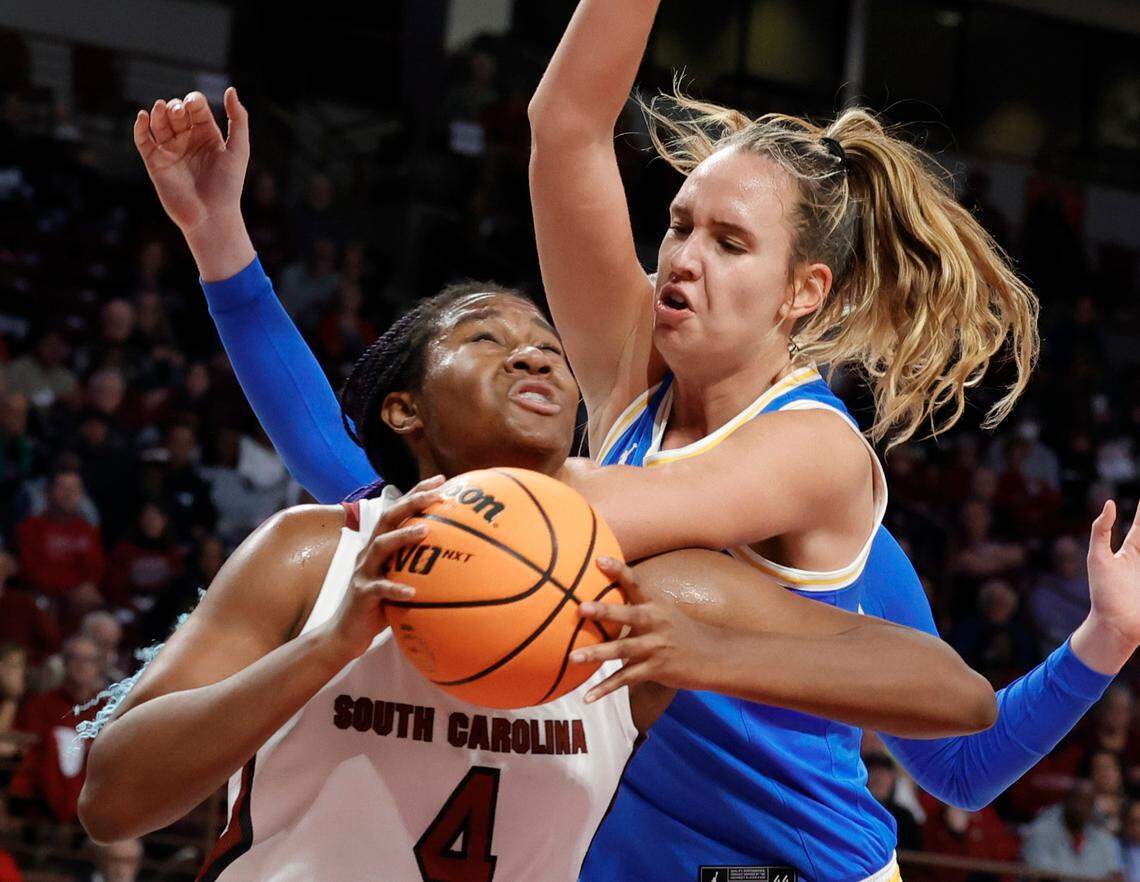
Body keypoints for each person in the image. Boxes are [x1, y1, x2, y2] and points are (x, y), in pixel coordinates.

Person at [130, 84, 1132, 880]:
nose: (680, 262)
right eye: (678, 228)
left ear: (800, 292)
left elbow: (959, 753)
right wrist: (223, 248)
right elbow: (370, 480)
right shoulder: (615, 436)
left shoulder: (824, 492)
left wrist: (1102, 644)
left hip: (794, 868)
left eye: (727, 241)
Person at [79, 282, 992, 881]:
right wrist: (327, 648)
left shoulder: (646, 589)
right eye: (485, 338)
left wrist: (706, 648)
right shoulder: (314, 555)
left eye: (548, 346)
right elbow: (113, 798)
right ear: (405, 409)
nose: (532, 355)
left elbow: (958, 696)